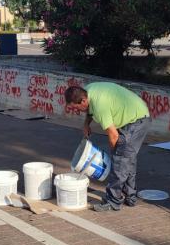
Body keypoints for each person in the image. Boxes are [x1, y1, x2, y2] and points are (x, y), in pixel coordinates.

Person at [64, 82, 151, 211]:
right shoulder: (87, 91)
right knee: (128, 159)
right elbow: (89, 111)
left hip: (137, 122)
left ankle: (113, 201)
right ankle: (130, 197)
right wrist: (86, 124)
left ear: (83, 101)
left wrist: (114, 153)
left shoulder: (100, 106)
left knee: (120, 160)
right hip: (132, 116)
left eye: (76, 108)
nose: (77, 111)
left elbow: (114, 136)